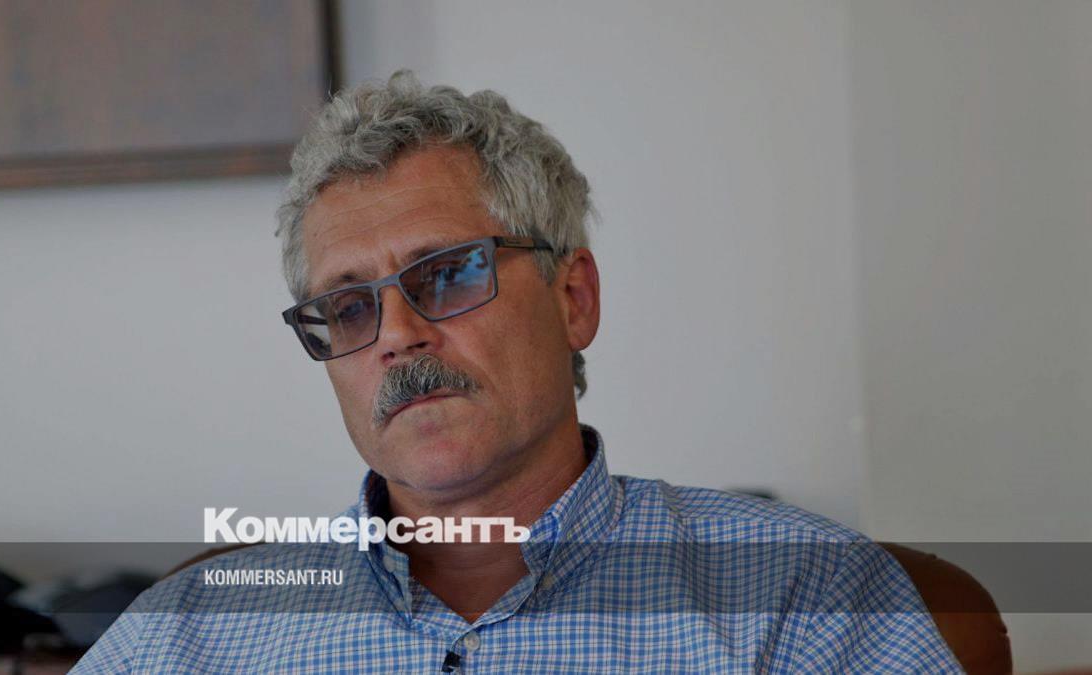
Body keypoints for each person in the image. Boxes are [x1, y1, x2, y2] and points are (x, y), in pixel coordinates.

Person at [73, 71, 960, 672]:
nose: (397, 336)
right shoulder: (184, 637)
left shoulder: (808, 596)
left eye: (447, 275)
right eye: (349, 307)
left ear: (573, 298)